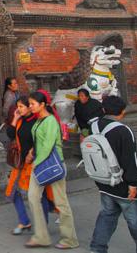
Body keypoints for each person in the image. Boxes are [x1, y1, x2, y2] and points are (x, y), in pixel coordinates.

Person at [88, 96, 137, 253]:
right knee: (136, 221)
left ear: (104, 110)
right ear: (123, 111)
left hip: (105, 181)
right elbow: (130, 160)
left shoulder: (95, 126)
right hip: (124, 184)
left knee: (107, 215)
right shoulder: (123, 131)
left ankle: (97, 248)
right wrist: (133, 184)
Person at [25, 91, 79, 249]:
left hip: (52, 164)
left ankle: (70, 239)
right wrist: (32, 153)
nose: (30, 107)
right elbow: (38, 143)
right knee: (33, 197)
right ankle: (41, 236)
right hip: (40, 163)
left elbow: (48, 146)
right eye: (29, 104)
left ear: (42, 105)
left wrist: (35, 164)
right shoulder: (38, 121)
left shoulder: (50, 121)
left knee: (61, 202)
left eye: (32, 104)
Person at [5, 96, 52, 235]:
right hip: (20, 163)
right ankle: (24, 221)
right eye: (17, 107)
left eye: (21, 107)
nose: (18, 109)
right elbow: (10, 134)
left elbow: (42, 142)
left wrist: (32, 153)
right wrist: (14, 118)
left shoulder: (37, 122)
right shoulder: (20, 120)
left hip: (35, 163)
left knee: (40, 195)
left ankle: (43, 226)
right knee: (13, 192)